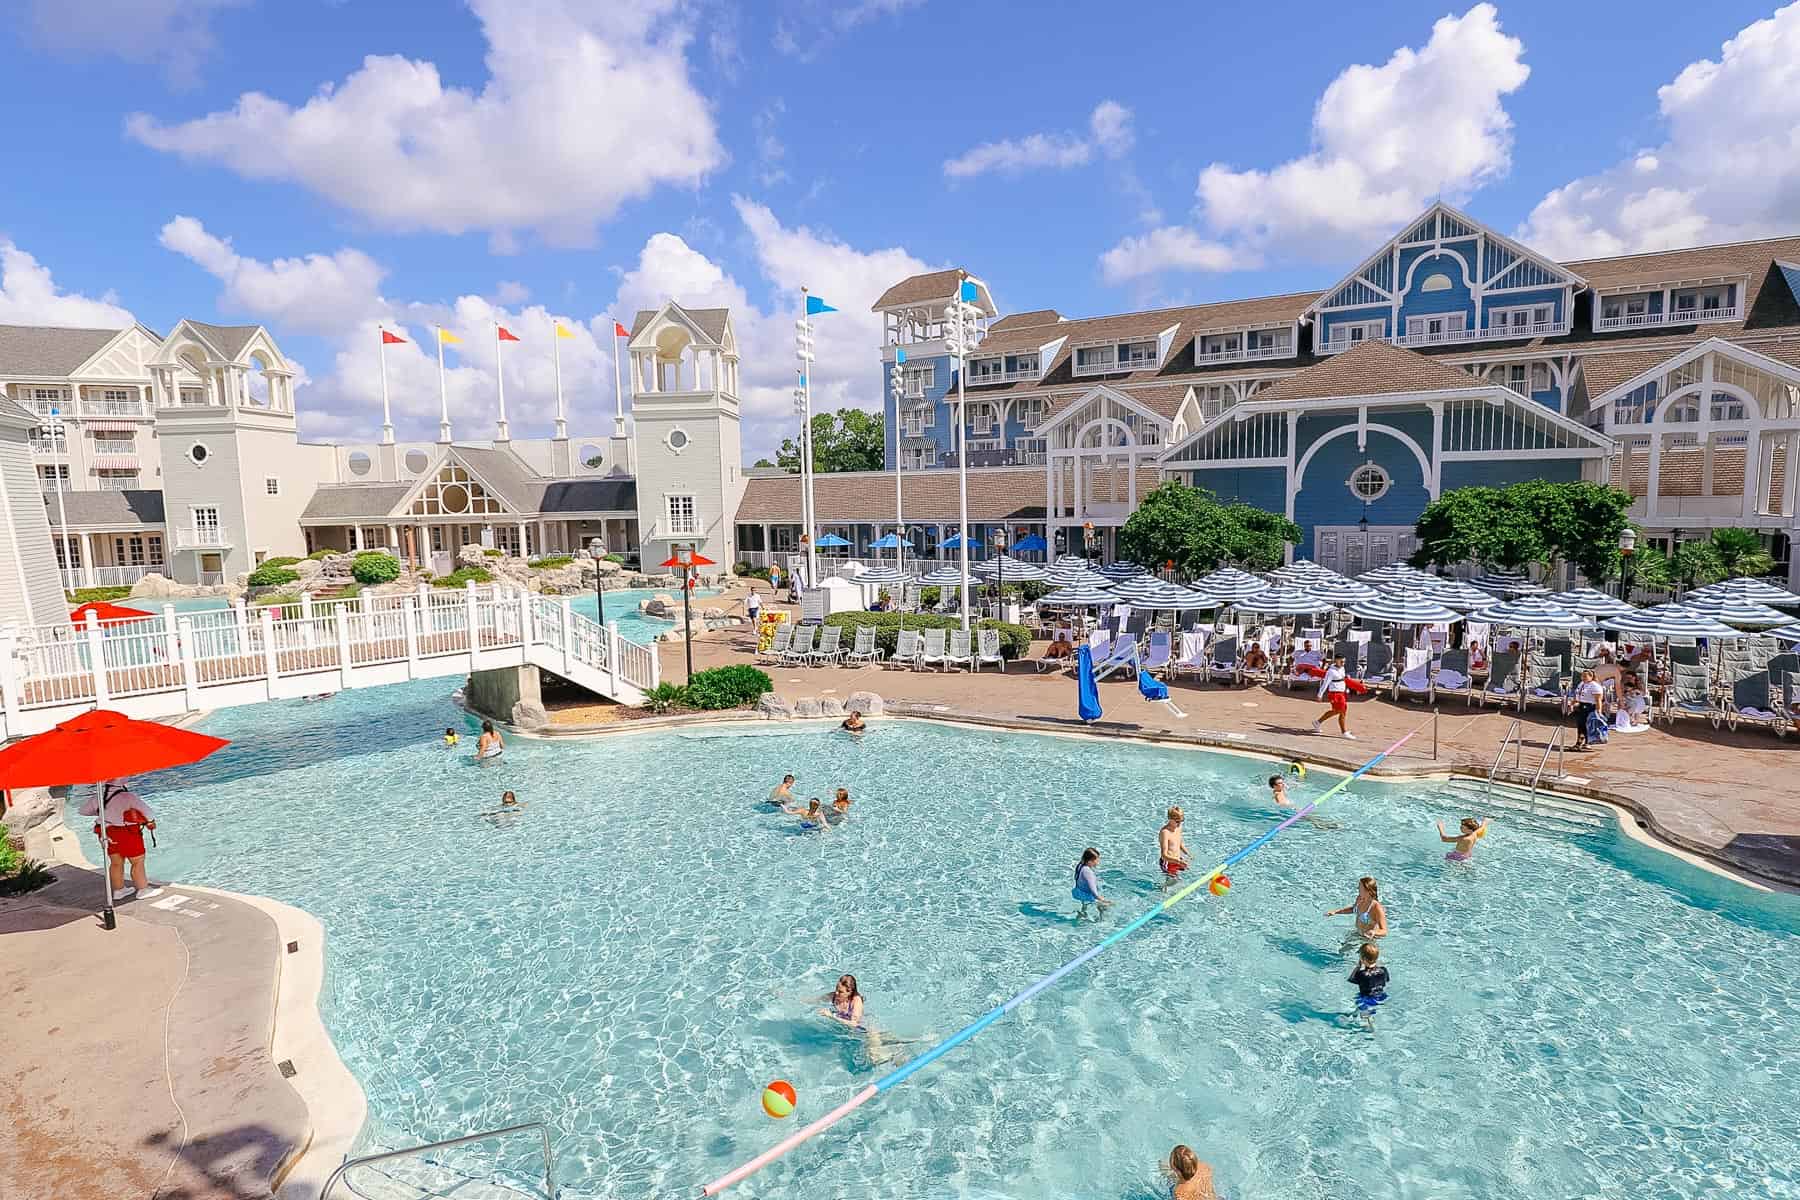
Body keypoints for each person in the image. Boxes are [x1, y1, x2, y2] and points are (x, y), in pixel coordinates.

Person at [79, 780, 161, 901]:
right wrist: (150, 821)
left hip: (107, 832)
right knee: (137, 862)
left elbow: (83, 811)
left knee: (116, 863)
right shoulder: (127, 796)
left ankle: (119, 890)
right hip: (127, 832)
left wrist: (106, 812)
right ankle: (143, 889)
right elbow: (149, 813)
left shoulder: (99, 796)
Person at [1327, 876, 1388, 941]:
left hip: (1368, 938)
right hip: (1357, 933)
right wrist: (1335, 912)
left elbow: (1384, 931)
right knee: (1342, 950)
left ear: (1367, 890)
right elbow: (1353, 909)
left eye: (1360, 887)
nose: (1357, 888)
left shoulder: (1376, 907)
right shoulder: (1360, 898)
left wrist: (1374, 932)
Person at [1311, 654, 1354, 739]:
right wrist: (1320, 695)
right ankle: (1344, 732)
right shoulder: (1331, 671)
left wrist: (1347, 687)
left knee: (1338, 711)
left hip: (1341, 693)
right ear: (1336, 661)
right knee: (1341, 711)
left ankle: (1317, 722)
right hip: (1334, 694)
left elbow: (1343, 679)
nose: (1343, 663)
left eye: (1344, 662)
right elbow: (1325, 683)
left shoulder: (1342, 668)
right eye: (1341, 661)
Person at [1348, 942, 1390, 1028]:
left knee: (1365, 1015)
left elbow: (1351, 979)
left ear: (1362, 959)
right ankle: (1354, 1015)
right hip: (1380, 995)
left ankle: (1370, 1028)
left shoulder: (1362, 974)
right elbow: (1387, 980)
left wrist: (1357, 967)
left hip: (1366, 998)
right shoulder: (1383, 970)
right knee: (1363, 1009)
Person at [1071, 847, 1113, 918]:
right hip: (1087, 895)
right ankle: (1101, 921)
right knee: (1106, 906)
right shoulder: (1088, 872)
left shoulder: (1080, 865)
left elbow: (1076, 879)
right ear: (1090, 861)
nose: (1098, 862)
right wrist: (1102, 900)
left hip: (1078, 892)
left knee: (1085, 906)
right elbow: (1093, 891)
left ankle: (1082, 914)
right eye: (1097, 860)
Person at [1572, 669, 1604, 750]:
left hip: (1590, 707)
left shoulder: (1595, 686)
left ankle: (1587, 743)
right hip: (1581, 706)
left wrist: (1598, 712)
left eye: (1585, 676)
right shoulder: (1582, 684)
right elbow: (1578, 695)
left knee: (1588, 726)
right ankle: (1579, 742)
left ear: (1591, 676)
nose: (1583, 678)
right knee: (1581, 725)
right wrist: (1572, 703)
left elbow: (1598, 700)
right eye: (1582, 676)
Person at [1157, 807, 1191, 885]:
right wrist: (1179, 861)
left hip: (1177, 859)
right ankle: (1163, 892)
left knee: (1181, 878)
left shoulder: (1178, 828)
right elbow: (1164, 855)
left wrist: (1188, 854)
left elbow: (1179, 843)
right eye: (1177, 821)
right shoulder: (1165, 832)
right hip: (1168, 862)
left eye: (1182, 821)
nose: (1179, 824)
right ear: (1170, 819)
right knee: (1172, 881)